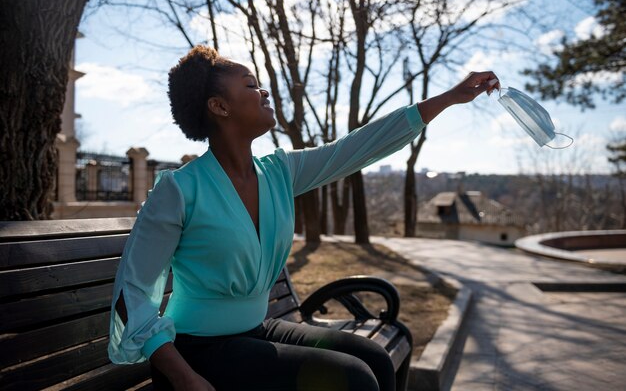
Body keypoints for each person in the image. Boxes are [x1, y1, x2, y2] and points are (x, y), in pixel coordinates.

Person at [108, 45, 499, 391]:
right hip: (196, 351)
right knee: (354, 378)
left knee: (376, 359)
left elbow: (357, 148)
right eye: (250, 85)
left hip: (256, 331)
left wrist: (449, 98)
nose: (263, 91)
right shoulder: (179, 190)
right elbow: (133, 292)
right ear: (219, 106)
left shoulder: (278, 172)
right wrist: (184, 378)